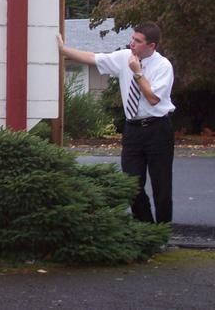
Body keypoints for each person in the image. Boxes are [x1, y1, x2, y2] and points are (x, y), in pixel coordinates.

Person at [57, 22, 175, 223]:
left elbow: (153, 98)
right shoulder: (124, 57)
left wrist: (137, 72)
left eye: (138, 41)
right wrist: (63, 50)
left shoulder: (163, 66)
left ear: (151, 46)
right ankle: (145, 227)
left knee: (161, 185)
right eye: (132, 38)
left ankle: (163, 232)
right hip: (133, 130)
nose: (132, 43)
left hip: (157, 129)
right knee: (131, 183)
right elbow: (93, 58)